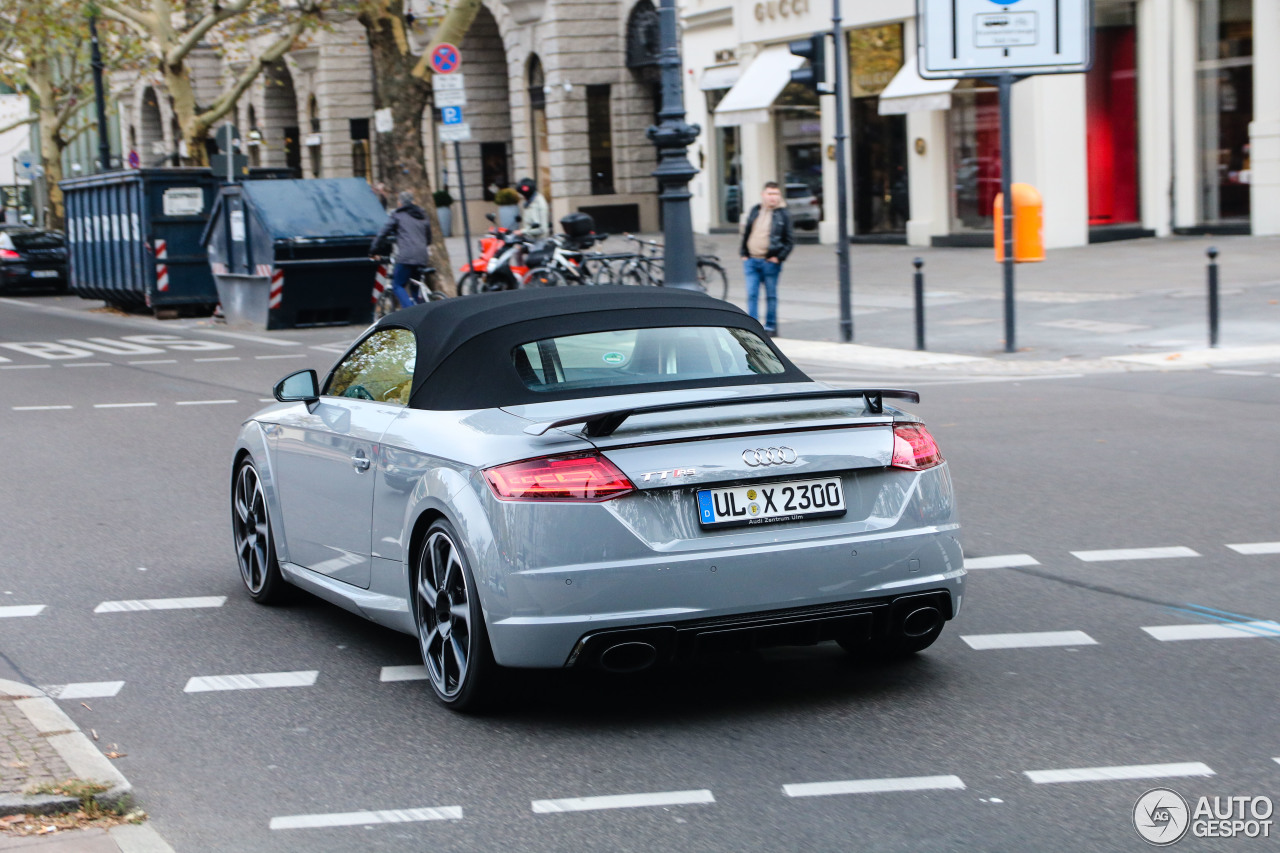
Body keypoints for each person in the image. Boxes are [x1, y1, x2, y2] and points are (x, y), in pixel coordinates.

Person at [739, 181, 794, 335]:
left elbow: (789, 240)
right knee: (752, 294)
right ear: (763, 195)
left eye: (776, 194)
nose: (773, 198)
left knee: (770, 295)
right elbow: (747, 232)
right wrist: (743, 253)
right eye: (770, 194)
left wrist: (778, 257)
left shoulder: (783, 214)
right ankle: (753, 327)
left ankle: (770, 327)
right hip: (751, 260)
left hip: (770, 262)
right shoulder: (755, 210)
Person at [371, 190, 431, 309]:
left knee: (397, 284)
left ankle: (410, 311)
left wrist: (373, 250)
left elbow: (383, 233)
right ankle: (421, 311)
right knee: (415, 286)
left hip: (406, 257)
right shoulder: (422, 214)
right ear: (413, 202)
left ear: (400, 203)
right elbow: (428, 238)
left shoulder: (398, 215)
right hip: (422, 256)